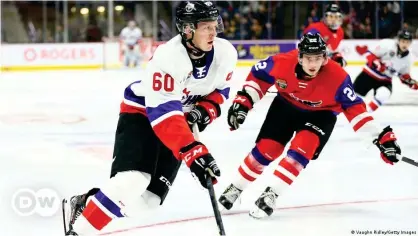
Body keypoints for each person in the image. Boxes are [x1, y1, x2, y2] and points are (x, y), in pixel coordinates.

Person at [62, 1, 238, 235]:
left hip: (179, 123)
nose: (214, 32)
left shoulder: (226, 53)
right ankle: (79, 231)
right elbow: (163, 113)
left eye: (215, 25)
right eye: (206, 27)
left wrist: (204, 111)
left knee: (149, 201)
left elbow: (221, 91)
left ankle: (89, 203)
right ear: (187, 29)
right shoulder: (168, 57)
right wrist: (193, 150)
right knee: (132, 180)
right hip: (143, 114)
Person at [218, 32, 403, 219]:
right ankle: (236, 186)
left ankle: (272, 193)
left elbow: (356, 110)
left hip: (321, 115)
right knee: (267, 149)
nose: (313, 64)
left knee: (302, 147)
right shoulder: (281, 62)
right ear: (299, 57)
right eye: (308, 59)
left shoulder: (338, 77)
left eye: (318, 58)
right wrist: (244, 101)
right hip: (285, 106)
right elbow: (259, 76)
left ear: (325, 57)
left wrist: (381, 138)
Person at [353, 30, 417, 111]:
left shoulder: (409, 59)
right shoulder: (387, 44)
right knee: (352, 98)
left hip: (385, 80)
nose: (405, 44)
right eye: (403, 41)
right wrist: (378, 64)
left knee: (384, 94)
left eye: (407, 42)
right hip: (368, 75)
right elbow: (369, 54)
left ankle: (365, 113)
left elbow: (403, 75)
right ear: (398, 40)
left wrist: (410, 82)